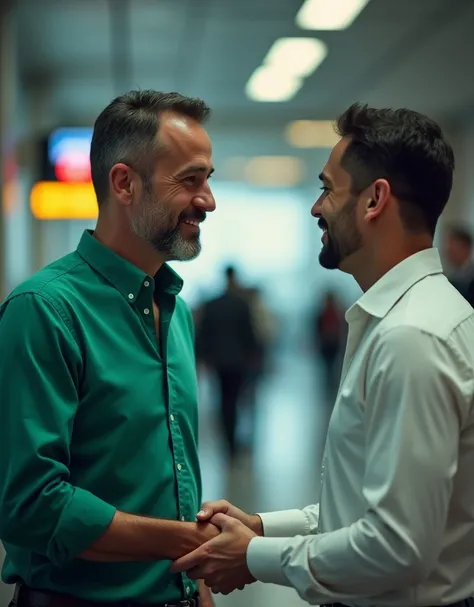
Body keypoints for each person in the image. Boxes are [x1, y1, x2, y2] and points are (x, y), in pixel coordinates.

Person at [171, 103, 474, 607]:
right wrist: (260, 527)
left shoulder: (412, 337)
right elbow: (362, 508)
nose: (317, 209)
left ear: (374, 199)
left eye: (327, 189)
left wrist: (254, 556)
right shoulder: (407, 319)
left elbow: (397, 547)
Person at [0, 90, 218, 607]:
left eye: (209, 179)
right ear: (124, 183)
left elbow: (173, 471)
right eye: (190, 180)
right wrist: (191, 542)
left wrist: (196, 582)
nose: (208, 200)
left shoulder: (176, 310)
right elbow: (32, 504)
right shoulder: (46, 310)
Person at [195, 266, 258, 459]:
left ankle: (228, 441)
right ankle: (233, 440)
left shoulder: (212, 305)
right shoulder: (242, 304)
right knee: (236, 400)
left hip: (219, 361)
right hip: (238, 361)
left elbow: (203, 334)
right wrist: (253, 356)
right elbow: (249, 334)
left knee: (223, 401)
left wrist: (202, 357)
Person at [443, 225, 474, 306]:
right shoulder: (450, 277)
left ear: (465, 248)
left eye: (452, 247)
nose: (448, 251)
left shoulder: (470, 279)